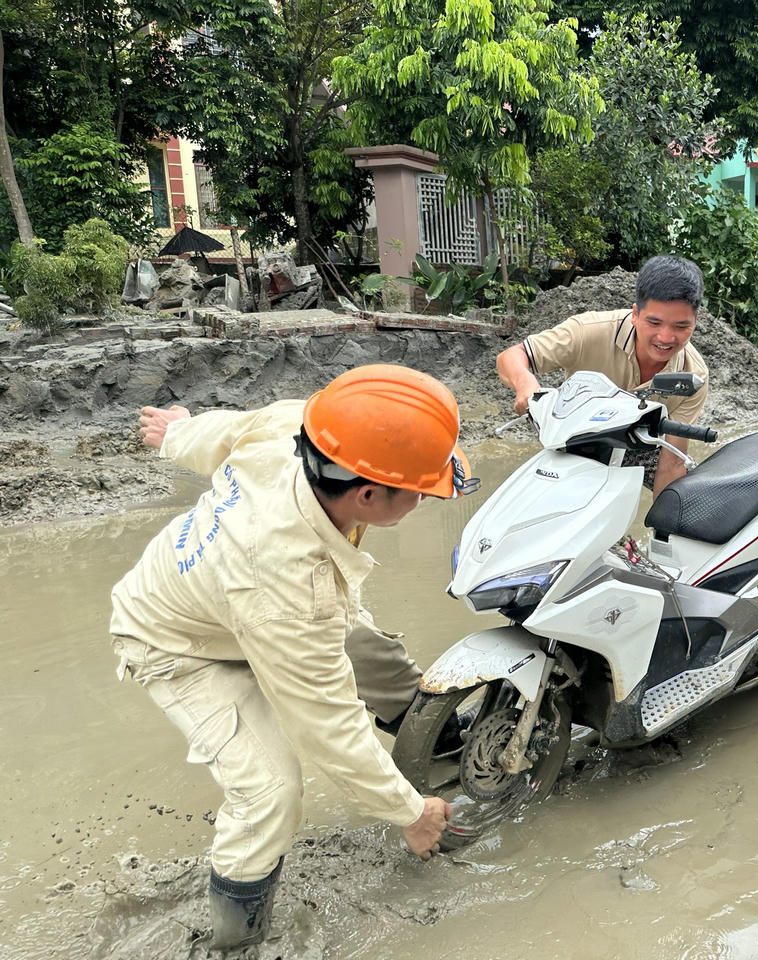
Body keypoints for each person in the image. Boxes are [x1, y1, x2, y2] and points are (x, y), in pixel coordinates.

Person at [109, 364, 471, 950]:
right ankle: (237, 940)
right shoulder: (291, 590)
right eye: (420, 492)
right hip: (179, 643)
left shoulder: (304, 427)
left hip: (227, 593)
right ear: (370, 494)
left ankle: (443, 743)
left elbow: (226, 432)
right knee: (269, 794)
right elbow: (327, 726)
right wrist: (409, 813)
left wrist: (177, 431)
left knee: (372, 654)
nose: (425, 500)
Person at [496, 255, 709, 495]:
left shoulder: (694, 376)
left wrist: (662, 530)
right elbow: (511, 357)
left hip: (637, 444)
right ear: (635, 314)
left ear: (695, 321)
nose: (666, 338)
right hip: (576, 442)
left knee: (692, 496)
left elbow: (671, 463)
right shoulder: (588, 332)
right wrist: (526, 386)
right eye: (654, 322)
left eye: (681, 326)